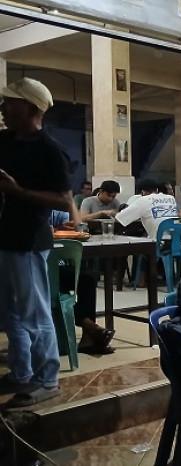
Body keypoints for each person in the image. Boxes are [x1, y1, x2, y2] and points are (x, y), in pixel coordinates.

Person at [0, 77, 76, 406]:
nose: (3, 107)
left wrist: (18, 192)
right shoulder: (4, 140)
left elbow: (65, 202)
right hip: (4, 237)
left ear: (31, 108)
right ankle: (21, 373)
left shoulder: (49, 150)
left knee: (34, 313)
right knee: (10, 313)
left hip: (28, 240)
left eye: (10, 102)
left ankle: (47, 379)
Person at [50, 211, 115, 354]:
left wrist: (70, 220)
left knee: (87, 280)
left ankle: (88, 336)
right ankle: (92, 327)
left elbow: (77, 225)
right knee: (58, 286)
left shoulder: (56, 209)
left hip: (57, 262)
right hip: (36, 267)